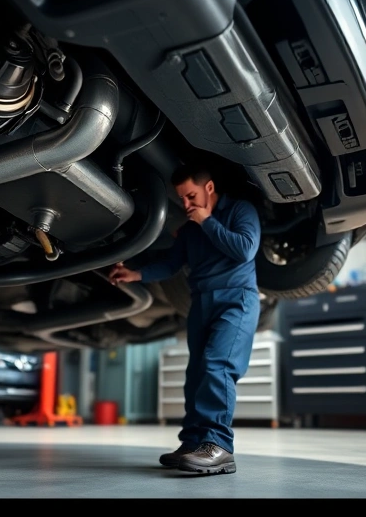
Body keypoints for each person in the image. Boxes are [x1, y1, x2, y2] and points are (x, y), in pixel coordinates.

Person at [108, 163, 262, 475]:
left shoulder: (239, 211)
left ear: (209, 188)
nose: (187, 205)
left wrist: (207, 222)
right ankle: (193, 443)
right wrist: (136, 274)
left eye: (191, 196)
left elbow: (245, 249)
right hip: (201, 303)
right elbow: (171, 264)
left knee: (217, 365)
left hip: (236, 298)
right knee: (196, 375)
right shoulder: (191, 228)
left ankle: (218, 446)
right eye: (182, 199)